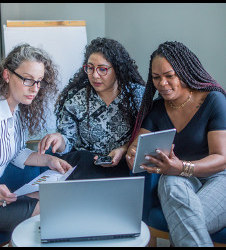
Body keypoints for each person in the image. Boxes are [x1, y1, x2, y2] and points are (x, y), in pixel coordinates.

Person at [126, 41, 226, 247]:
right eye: (156, 77)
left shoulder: (213, 100)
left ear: (185, 72)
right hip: (181, 181)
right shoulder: (156, 110)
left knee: (184, 221)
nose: (162, 83)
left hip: (220, 178)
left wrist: (181, 167)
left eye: (169, 75)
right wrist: (132, 155)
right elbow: (137, 147)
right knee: (169, 181)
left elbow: (222, 159)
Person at [0, 43, 75, 233]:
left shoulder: (16, 111)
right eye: (28, 80)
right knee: (49, 209)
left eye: (39, 81)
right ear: (7, 75)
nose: (35, 88)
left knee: (52, 198)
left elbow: (17, 153)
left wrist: (49, 159)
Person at [38, 37, 146, 179]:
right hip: (86, 166)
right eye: (90, 68)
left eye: (102, 69)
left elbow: (146, 135)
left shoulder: (137, 95)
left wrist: (123, 149)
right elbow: (68, 139)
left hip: (125, 164)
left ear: (118, 69)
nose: (95, 75)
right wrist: (59, 140)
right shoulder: (76, 98)